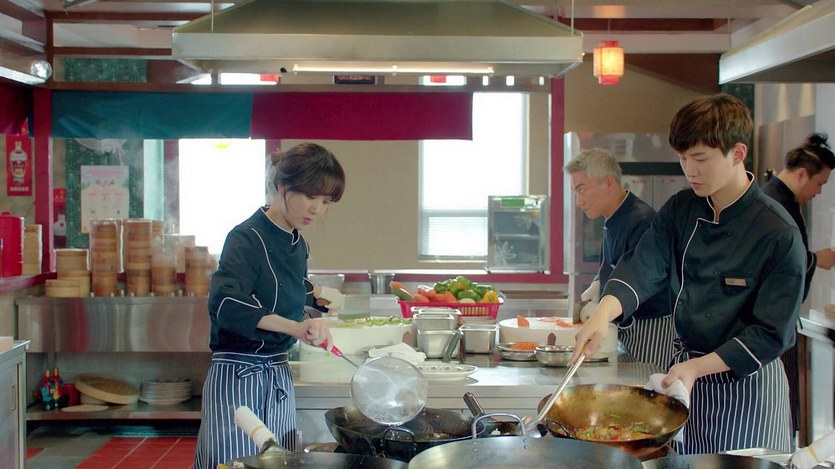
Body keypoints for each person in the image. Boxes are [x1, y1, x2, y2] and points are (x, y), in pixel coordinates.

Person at [570, 93, 807, 455]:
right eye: (683, 158)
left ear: (737, 153)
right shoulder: (681, 209)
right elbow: (646, 262)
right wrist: (603, 313)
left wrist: (698, 368)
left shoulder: (778, 232)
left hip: (747, 391)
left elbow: (771, 333)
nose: (689, 170)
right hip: (685, 382)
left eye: (700, 159)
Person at [194, 142, 346, 469]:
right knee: (233, 464)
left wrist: (315, 301)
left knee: (279, 463)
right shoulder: (245, 237)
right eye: (310, 196)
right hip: (238, 375)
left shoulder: (298, 244)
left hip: (277, 374)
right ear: (282, 186)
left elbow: (283, 287)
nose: (317, 209)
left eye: (325, 201)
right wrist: (295, 328)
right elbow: (227, 303)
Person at [564, 148, 674, 370]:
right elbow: (613, 263)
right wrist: (598, 283)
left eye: (582, 190)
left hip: (650, 329)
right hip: (628, 327)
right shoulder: (613, 218)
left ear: (608, 182)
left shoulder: (641, 221)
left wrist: (603, 308)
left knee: (646, 386)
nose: (578, 201)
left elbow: (640, 279)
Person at [761, 133, 835, 440]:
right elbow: (779, 261)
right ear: (802, 174)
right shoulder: (775, 203)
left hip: (780, 317)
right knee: (777, 404)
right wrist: (817, 259)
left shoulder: (779, 200)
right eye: (819, 183)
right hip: (772, 319)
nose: (818, 192)